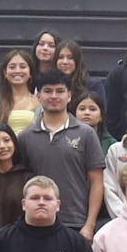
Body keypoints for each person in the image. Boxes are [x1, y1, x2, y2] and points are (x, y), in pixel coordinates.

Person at [17, 70, 108, 234]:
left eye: (60, 91)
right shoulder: (25, 137)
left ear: (69, 96)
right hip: (36, 221)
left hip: (76, 222)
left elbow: (97, 182)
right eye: (47, 91)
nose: (54, 96)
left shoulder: (86, 133)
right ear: (38, 96)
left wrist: (90, 224)